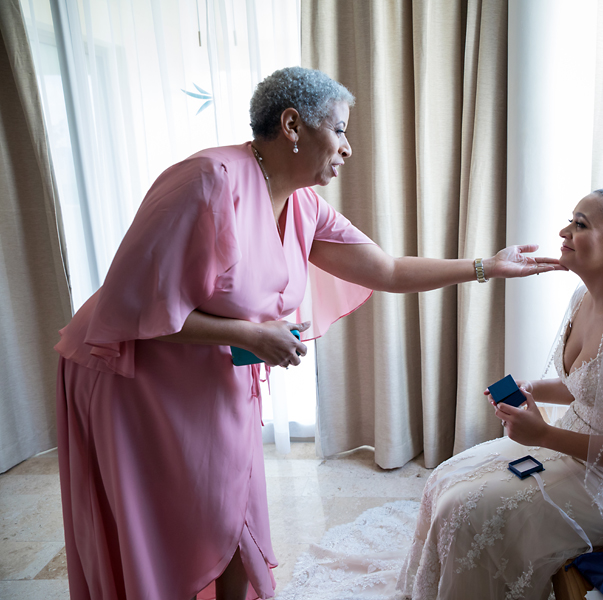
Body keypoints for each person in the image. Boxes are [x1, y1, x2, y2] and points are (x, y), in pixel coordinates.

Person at [54, 67, 562, 600]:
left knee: (231, 512)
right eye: (339, 130)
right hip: (129, 375)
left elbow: (386, 270)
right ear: (292, 125)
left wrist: (486, 267)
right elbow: (128, 312)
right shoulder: (207, 180)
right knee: (172, 525)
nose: (347, 148)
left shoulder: (302, 203)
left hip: (210, 376)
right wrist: (251, 334)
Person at [397, 188, 603, 600]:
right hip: (570, 448)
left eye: (580, 225)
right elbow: (593, 386)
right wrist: (532, 389)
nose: (564, 231)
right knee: (447, 477)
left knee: (469, 511)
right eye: (571, 219)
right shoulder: (583, 297)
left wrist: (544, 436)